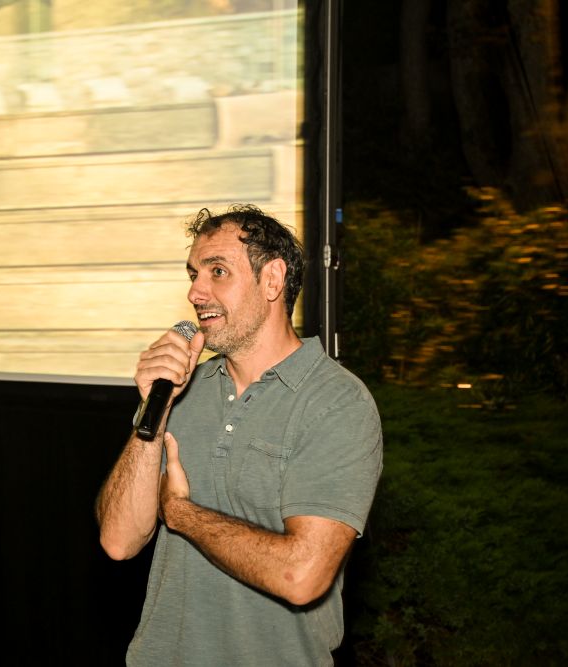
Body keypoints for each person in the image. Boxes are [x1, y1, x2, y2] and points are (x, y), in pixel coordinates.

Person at [96, 204, 383, 665]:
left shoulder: (336, 402)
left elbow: (302, 577)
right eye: (193, 273)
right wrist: (156, 409)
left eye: (217, 271)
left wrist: (183, 515)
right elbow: (118, 541)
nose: (195, 291)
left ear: (272, 280)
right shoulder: (182, 390)